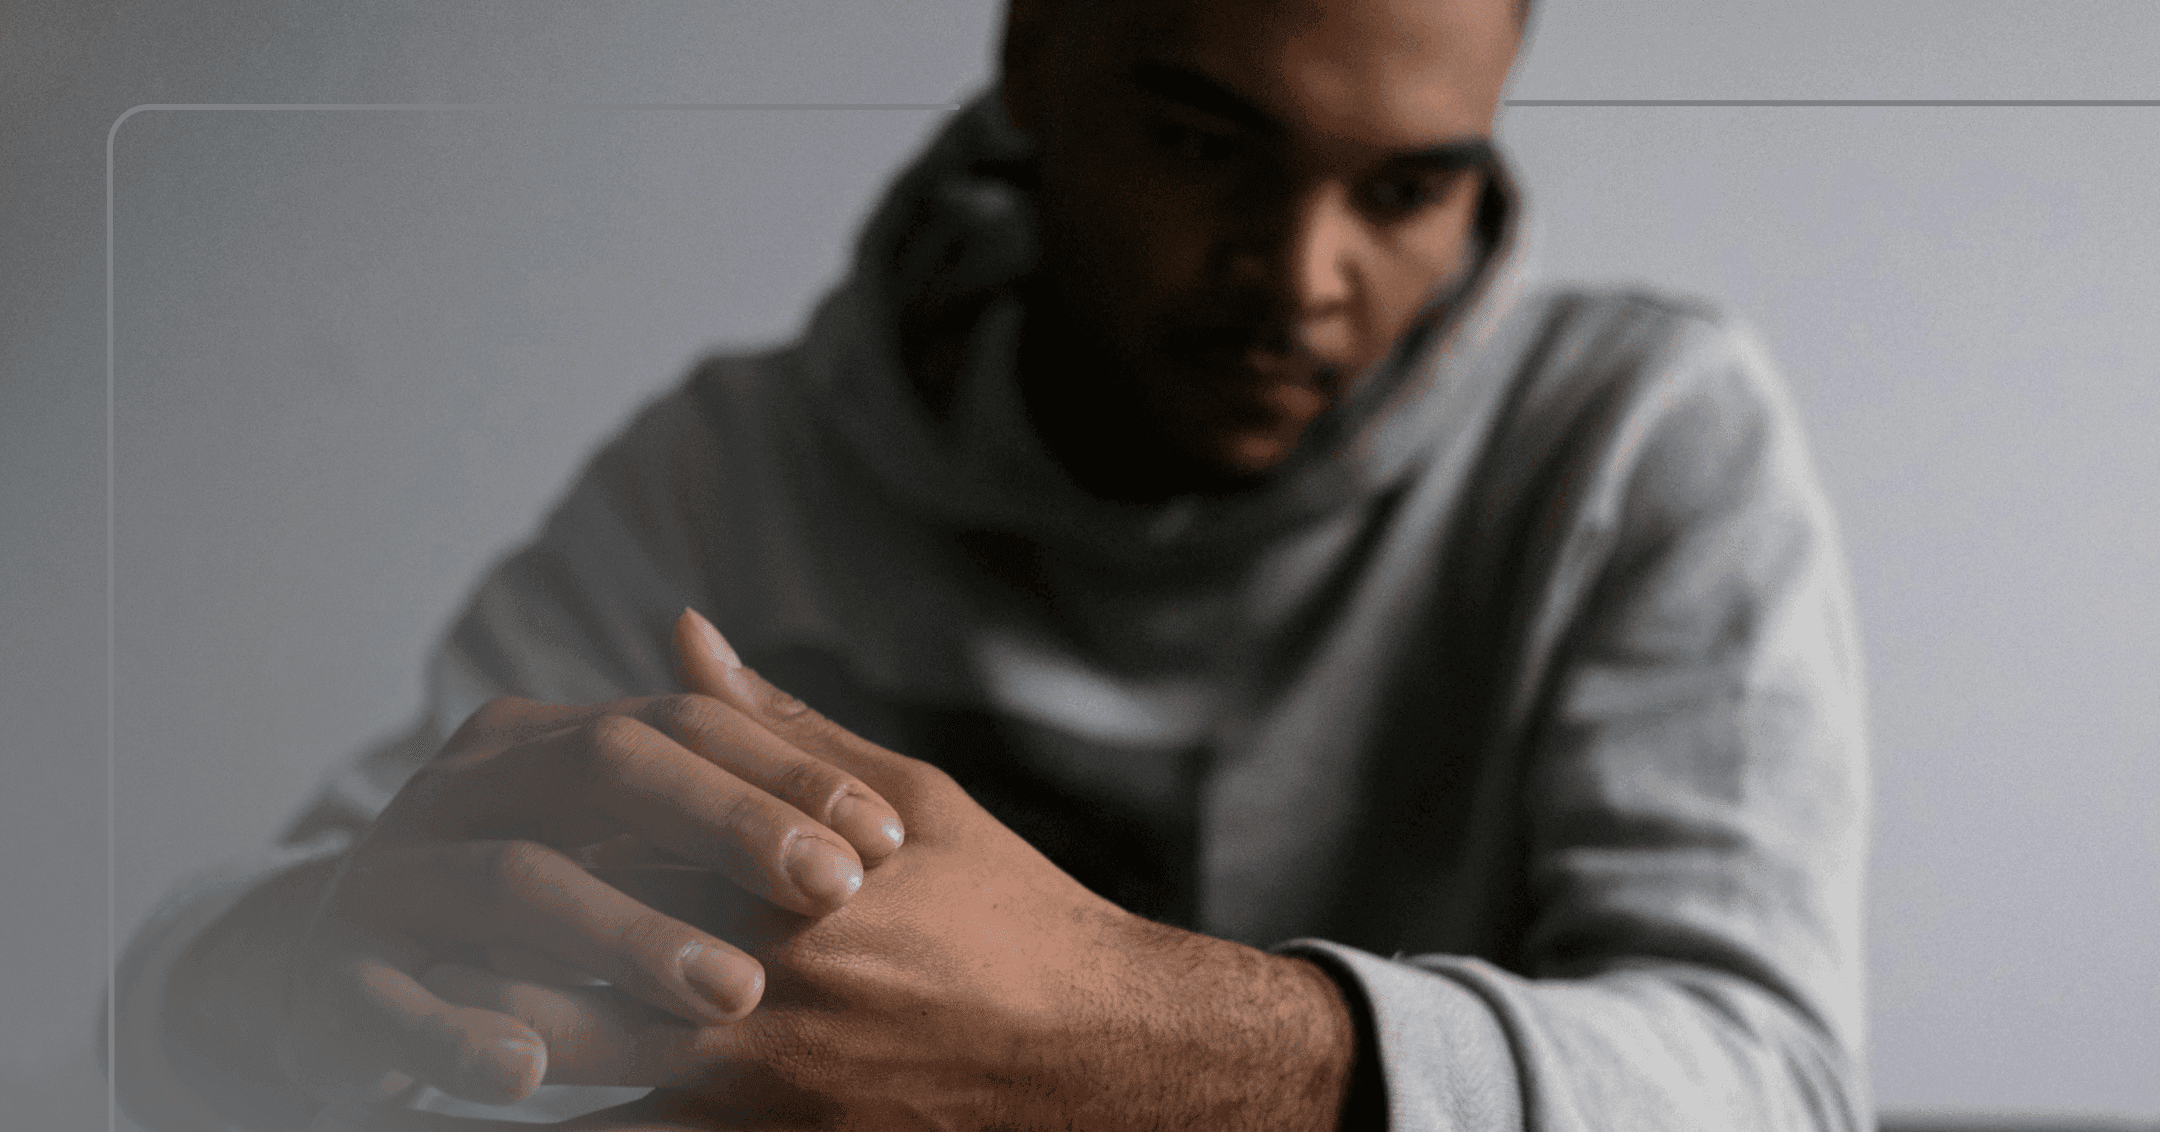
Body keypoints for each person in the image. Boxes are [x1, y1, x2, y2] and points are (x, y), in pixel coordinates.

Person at [111, 0, 1875, 1128]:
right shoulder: (738, 466)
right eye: (1204, 144)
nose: (1303, 275)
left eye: (1413, 188)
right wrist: (277, 976)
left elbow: (1773, 1087)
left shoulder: (1635, 436)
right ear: (1037, 54)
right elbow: (274, 936)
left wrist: (1124, 1037)